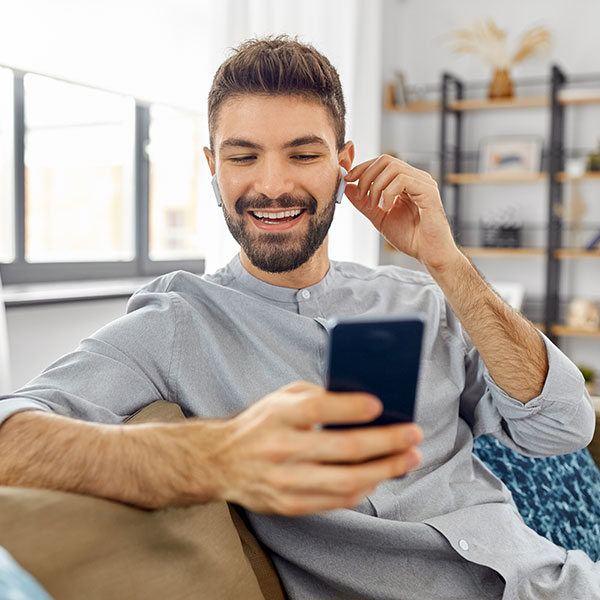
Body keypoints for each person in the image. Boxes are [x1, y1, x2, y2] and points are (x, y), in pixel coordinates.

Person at [0, 35, 598, 599]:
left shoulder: (421, 298)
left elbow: (562, 427)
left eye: (303, 154)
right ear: (213, 166)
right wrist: (219, 457)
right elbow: (11, 435)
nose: (273, 185)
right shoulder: (176, 323)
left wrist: (446, 260)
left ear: (344, 164)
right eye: (243, 156)